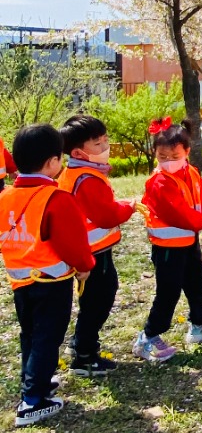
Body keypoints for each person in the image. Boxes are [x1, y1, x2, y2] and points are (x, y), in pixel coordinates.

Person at [0, 124, 94, 426]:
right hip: (51, 282)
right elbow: (74, 245)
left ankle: (34, 382)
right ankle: (33, 400)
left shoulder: (4, 197)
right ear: (52, 162)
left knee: (30, 335)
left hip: (20, 282)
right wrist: (85, 266)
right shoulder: (56, 198)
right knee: (47, 337)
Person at [133, 118, 202, 363]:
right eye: (163, 156)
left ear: (186, 151)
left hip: (188, 241)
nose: (169, 161)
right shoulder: (159, 182)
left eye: (174, 155)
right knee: (168, 292)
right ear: (155, 154)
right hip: (167, 248)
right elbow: (177, 212)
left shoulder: (191, 172)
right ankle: (148, 336)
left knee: (197, 281)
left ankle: (200, 324)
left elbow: (200, 196)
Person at [59, 114, 136, 376]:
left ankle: (81, 344)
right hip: (94, 252)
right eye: (98, 143)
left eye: (106, 140)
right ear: (79, 151)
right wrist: (128, 208)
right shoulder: (87, 178)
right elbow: (105, 216)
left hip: (89, 250)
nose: (106, 147)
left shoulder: (78, 173)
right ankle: (85, 355)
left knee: (92, 300)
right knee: (98, 299)